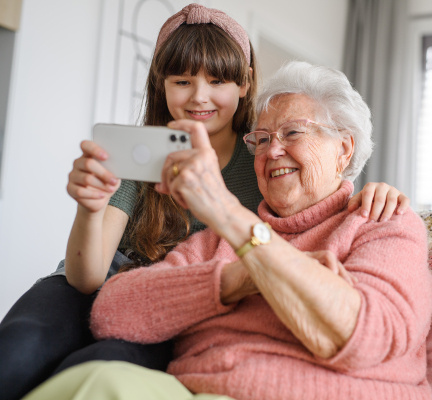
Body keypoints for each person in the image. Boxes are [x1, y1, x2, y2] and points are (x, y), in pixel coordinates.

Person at [0, 5, 410, 400]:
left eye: (217, 82)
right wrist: (89, 208)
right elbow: (90, 282)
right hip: (107, 285)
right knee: (18, 353)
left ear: (244, 82)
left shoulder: (264, 165)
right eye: (181, 81)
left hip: (170, 307)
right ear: (161, 84)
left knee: (98, 366)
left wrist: (374, 188)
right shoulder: (145, 155)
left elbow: (319, 190)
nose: (200, 97)